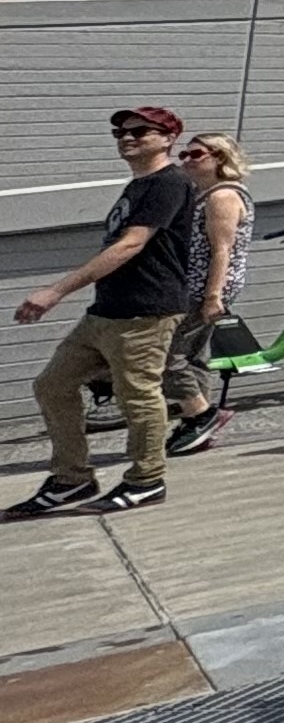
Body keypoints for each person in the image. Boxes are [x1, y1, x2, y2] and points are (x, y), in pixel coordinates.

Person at [10, 108, 200, 518]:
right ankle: (71, 478)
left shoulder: (169, 184)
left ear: (168, 138)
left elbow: (131, 244)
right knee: (52, 385)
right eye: (120, 132)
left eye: (139, 131)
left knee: (139, 396)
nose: (126, 138)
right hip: (107, 310)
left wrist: (56, 290)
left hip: (145, 312)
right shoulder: (139, 185)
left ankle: (146, 481)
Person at [162, 130, 257, 456]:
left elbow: (221, 250)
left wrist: (212, 296)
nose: (186, 160)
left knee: (166, 356)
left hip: (203, 288)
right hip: (195, 285)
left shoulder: (223, 197)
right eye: (184, 155)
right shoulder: (203, 194)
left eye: (196, 154)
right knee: (193, 356)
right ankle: (197, 427)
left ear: (220, 158)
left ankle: (202, 416)